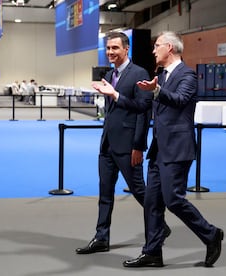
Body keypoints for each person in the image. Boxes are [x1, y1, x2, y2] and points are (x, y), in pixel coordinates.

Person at [92, 31, 223, 268]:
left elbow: (180, 100)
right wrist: (121, 94)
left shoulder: (188, 75)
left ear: (169, 48)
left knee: (173, 200)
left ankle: (211, 234)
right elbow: (143, 108)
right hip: (159, 149)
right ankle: (152, 252)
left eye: (157, 46)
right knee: (152, 202)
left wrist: (156, 91)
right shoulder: (159, 75)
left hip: (177, 149)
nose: (153, 50)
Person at [75, 31, 170, 255]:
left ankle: (159, 228)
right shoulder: (110, 74)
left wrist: (138, 146)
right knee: (104, 194)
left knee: (139, 191)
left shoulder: (139, 73)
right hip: (107, 144)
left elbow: (143, 111)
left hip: (128, 147)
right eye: (108, 48)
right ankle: (101, 237)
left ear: (126, 49)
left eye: (115, 48)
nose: (110, 52)